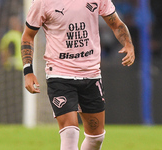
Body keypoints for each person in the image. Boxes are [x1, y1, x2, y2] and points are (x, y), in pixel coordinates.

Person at [21, 0, 135, 149]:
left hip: (91, 74)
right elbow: (27, 36)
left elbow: (116, 23)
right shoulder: (43, 2)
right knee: (69, 134)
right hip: (60, 75)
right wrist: (28, 71)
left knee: (96, 138)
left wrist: (128, 44)